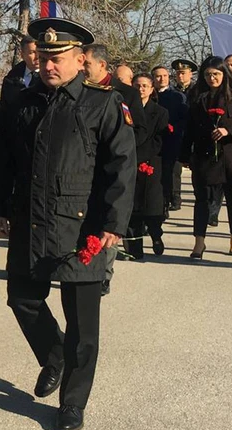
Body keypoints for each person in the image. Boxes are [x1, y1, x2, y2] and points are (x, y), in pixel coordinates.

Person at [0, 18, 136, 430]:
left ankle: (72, 402)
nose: (48, 65)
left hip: (83, 225)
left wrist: (113, 222)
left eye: (57, 58)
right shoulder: (22, 101)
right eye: (43, 58)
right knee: (22, 298)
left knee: (82, 325)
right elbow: (4, 160)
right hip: (31, 220)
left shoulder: (103, 103)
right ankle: (55, 356)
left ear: (80, 59)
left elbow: (122, 167)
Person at [83, 43, 147, 294]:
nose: (82, 68)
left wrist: (123, 151)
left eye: (87, 63)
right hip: (85, 170)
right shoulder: (79, 89)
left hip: (111, 167)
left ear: (101, 65)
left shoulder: (125, 93)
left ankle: (103, 274)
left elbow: (138, 129)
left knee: (108, 221)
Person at [179, 56, 232, 259]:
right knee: (202, 200)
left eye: (216, 74)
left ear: (224, 74)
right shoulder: (197, 98)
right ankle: (199, 242)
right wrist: (184, 155)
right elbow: (189, 129)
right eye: (208, 75)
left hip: (231, 156)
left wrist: (229, 132)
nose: (212, 78)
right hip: (204, 156)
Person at [126, 73, 170, 259]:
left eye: (145, 86)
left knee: (151, 206)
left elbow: (159, 140)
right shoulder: (125, 109)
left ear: (152, 89)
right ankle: (134, 248)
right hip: (128, 161)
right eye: (137, 85)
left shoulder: (160, 112)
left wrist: (140, 156)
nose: (141, 89)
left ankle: (156, 235)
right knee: (131, 206)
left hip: (150, 162)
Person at [152, 65, 189, 212]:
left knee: (172, 171)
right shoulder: (150, 95)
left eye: (165, 76)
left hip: (172, 139)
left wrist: (175, 128)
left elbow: (184, 118)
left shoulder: (177, 96)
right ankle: (162, 201)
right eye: (158, 76)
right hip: (154, 140)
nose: (162, 79)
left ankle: (174, 197)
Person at [0, 35, 40, 121]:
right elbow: (3, 111)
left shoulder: (51, 78)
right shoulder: (11, 79)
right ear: (22, 55)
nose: (37, 57)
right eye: (32, 52)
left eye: (39, 51)